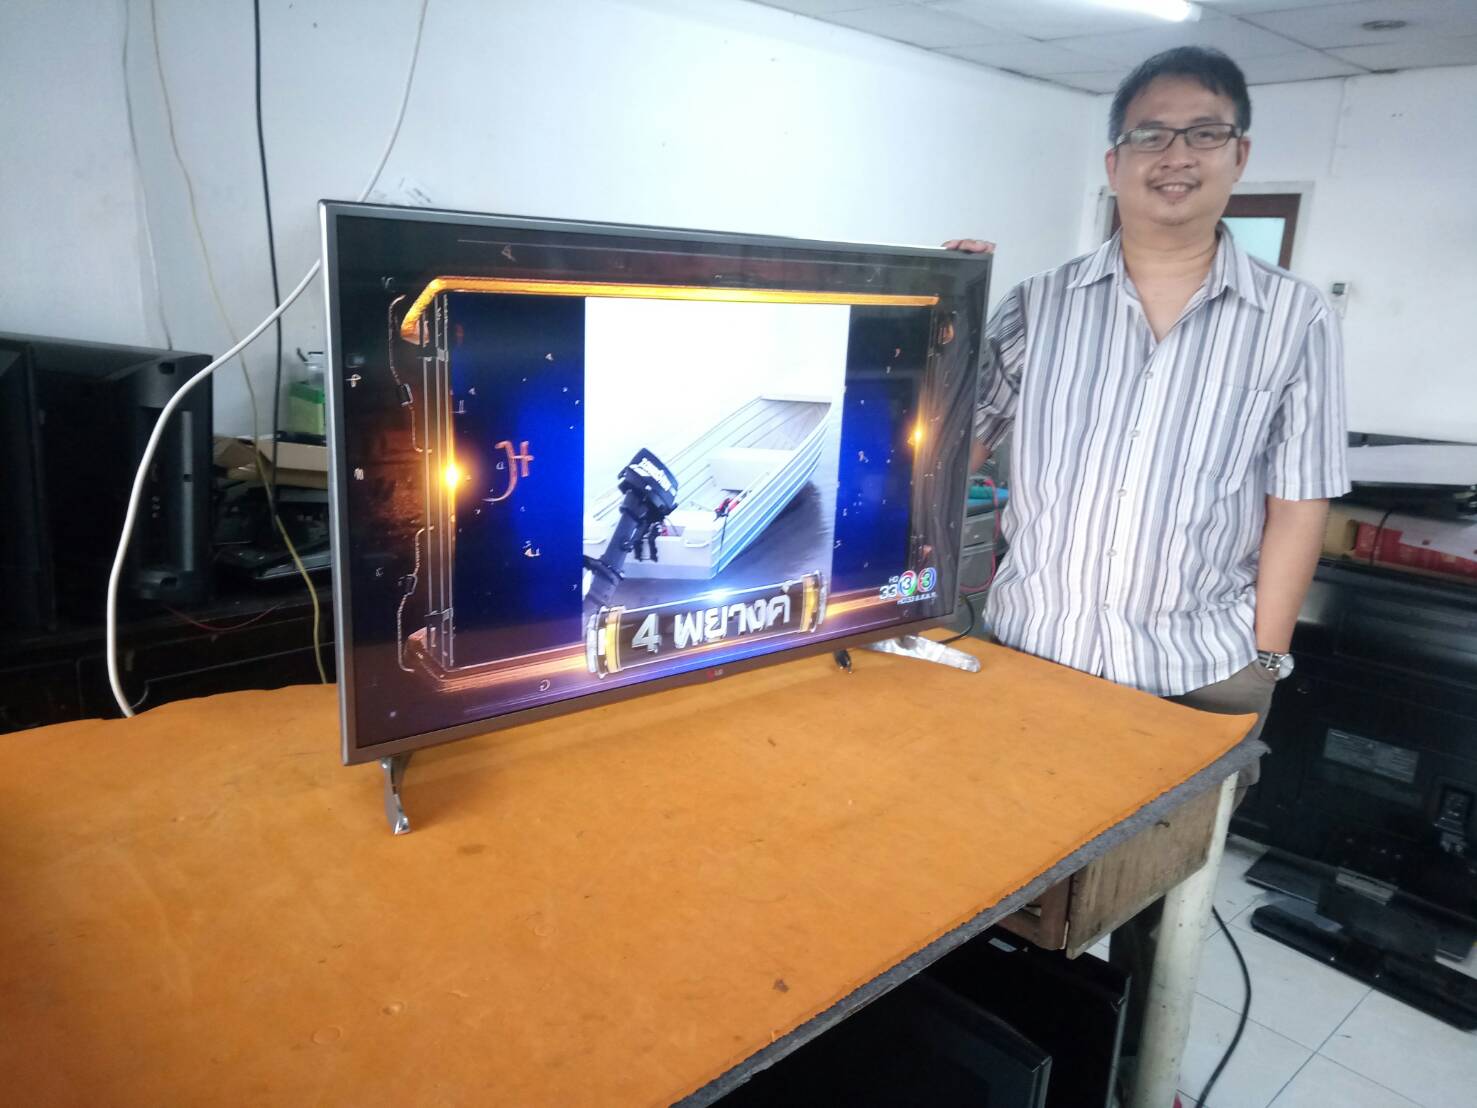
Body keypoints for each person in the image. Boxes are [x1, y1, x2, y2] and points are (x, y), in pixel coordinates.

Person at [946, 45, 1351, 1073]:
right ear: (1114, 161)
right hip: (1033, 660)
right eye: (1150, 135)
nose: (1176, 155)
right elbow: (954, 443)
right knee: (995, 891)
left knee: (1154, 918)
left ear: (1238, 154)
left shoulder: (1294, 318)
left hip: (1192, 676)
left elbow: (1298, 503)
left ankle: (1129, 1079)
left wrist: (1263, 661)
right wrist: (947, 311)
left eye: (1203, 133)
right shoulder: (1038, 304)